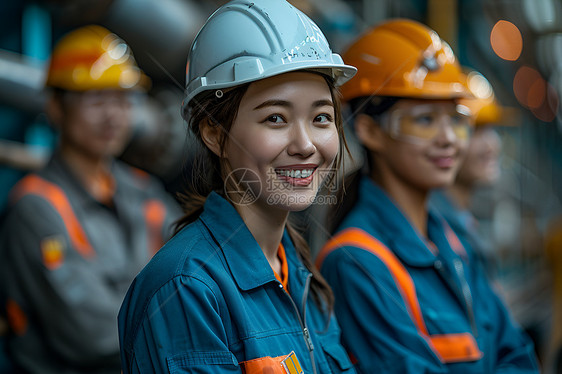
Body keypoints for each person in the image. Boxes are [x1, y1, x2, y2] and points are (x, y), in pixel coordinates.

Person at [117, 0, 358, 373]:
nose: (306, 144)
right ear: (215, 133)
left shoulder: (299, 276)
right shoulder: (188, 290)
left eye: (321, 117)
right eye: (276, 118)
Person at [315, 19, 539, 373]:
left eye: (456, 120)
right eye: (424, 120)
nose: (449, 139)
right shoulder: (358, 262)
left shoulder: (453, 242)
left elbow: (515, 353)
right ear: (369, 130)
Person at [0, 25, 182, 373]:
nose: (113, 115)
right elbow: (93, 336)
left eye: (122, 99)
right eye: (96, 99)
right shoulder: (35, 208)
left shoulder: (145, 194)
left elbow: (202, 278)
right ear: (55, 107)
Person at [429, 70, 507, 280]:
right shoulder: (434, 229)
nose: (493, 145)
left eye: (492, 129)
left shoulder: (459, 222)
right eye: (476, 131)